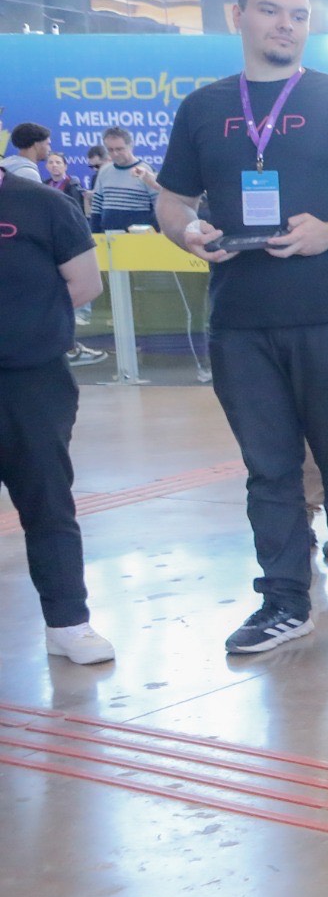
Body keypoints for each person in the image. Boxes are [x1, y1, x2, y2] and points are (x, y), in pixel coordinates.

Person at [154, 0, 328, 654]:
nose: (285, 24)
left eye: (298, 15)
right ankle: (283, 601)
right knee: (269, 469)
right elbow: (171, 201)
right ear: (237, 14)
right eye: (270, 11)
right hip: (241, 320)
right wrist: (186, 232)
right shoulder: (204, 107)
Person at [0, 161, 112, 663]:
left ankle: (68, 623)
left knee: (47, 501)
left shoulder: (43, 204)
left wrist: (27, 323)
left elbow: (85, 284)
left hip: (31, 380)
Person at [89, 127, 157, 230]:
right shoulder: (104, 171)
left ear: (130, 146)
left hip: (140, 238)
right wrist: (94, 232)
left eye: (119, 149)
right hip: (109, 236)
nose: (115, 154)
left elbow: (159, 205)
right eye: (110, 150)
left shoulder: (146, 170)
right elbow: (97, 206)